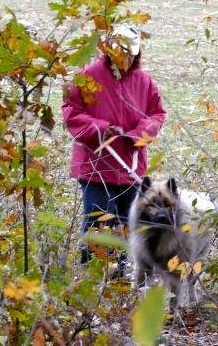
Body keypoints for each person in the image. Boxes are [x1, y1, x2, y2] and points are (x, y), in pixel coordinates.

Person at [61, 24, 166, 273]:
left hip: (130, 169)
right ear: (110, 52)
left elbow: (157, 113)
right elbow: (71, 112)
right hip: (96, 168)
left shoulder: (144, 81)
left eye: (131, 55)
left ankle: (118, 276)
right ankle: (91, 278)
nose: (126, 61)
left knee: (124, 226)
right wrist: (101, 129)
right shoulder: (88, 76)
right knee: (98, 227)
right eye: (122, 55)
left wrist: (138, 134)